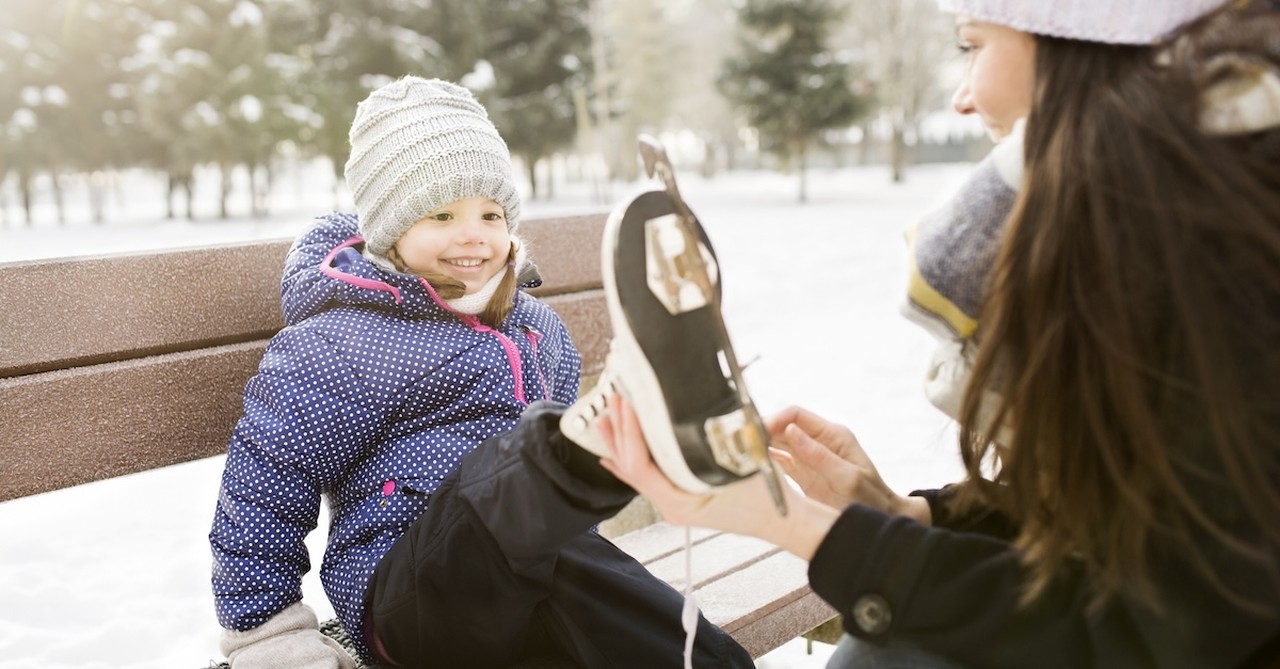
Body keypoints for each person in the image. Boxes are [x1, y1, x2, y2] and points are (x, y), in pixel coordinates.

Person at [579, 1, 1280, 667]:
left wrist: (801, 526)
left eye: (972, 46)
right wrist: (906, 513)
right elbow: (1135, 529)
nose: (963, 97)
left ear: (1087, 41)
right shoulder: (1177, 220)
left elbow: (1152, 629)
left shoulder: (1234, 271)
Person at [209, 76, 754, 668]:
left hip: (544, 576)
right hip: (412, 598)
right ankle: (588, 433)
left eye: (491, 214)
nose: (473, 234)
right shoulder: (340, 344)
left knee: (680, 646)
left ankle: (634, 418)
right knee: (516, 474)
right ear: (391, 230)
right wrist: (265, 631)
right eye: (441, 214)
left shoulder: (537, 330)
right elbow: (265, 483)